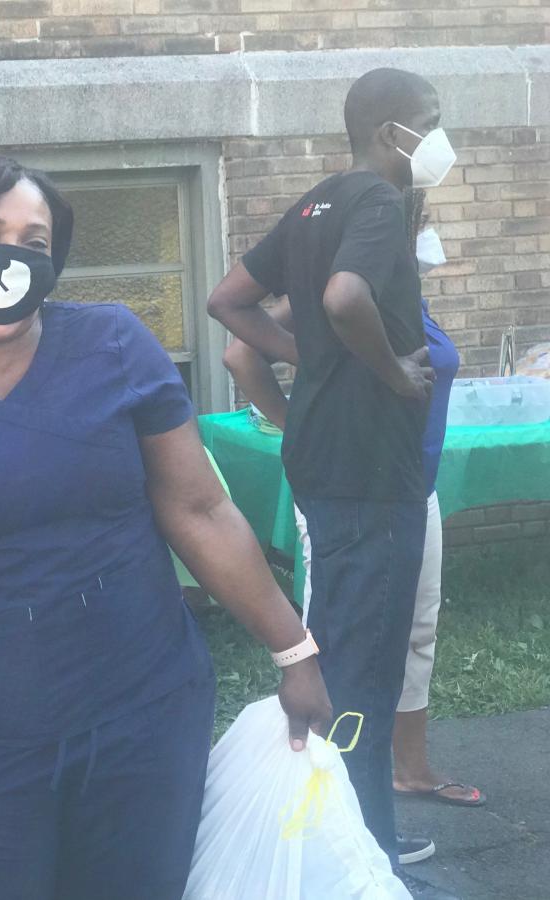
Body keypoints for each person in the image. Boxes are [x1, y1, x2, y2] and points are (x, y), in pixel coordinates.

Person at [0, 153, 331, 900]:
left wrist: (295, 650)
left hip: (145, 720)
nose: (9, 258)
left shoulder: (112, 345)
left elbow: (198, 508)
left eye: (35, 244)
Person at [207, 67, 458, 887]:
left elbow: (229, 302)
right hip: (367, 474)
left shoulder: (319, 201)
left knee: (351, 664)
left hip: (328, 468)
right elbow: (347, 296)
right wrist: (392, 375)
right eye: (431, 121)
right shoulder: (379, 203)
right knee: (360, 680)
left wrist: (312, 356)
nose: (441, 136)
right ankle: (342, 864)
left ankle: (366, 852)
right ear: (394, 133)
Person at [224, 190, 483, 845]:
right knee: (344, 668)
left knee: (408, 640)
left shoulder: (399, 292)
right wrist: (298, 422)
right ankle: (337, 839)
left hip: (408, 487)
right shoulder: (345, 284)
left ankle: (404, 777)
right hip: (358, 488)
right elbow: (240, 353)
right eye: (417, 222)